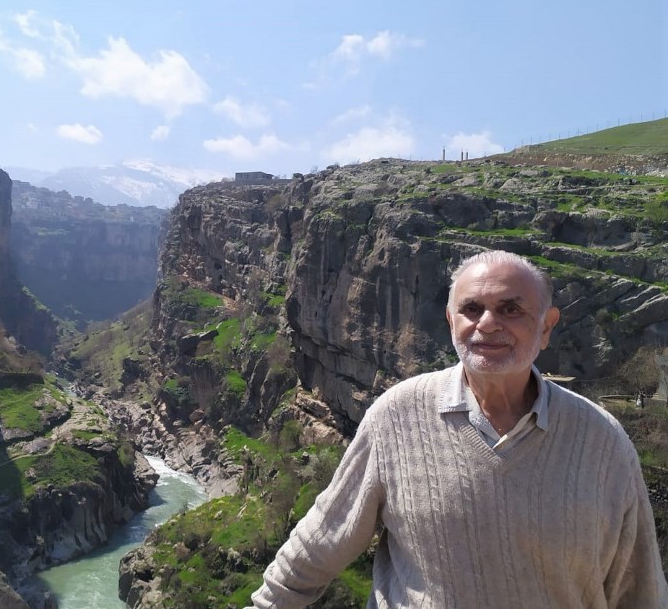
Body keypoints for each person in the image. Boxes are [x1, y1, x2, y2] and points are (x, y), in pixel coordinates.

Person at [249, 250, 668, 608]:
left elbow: (638, 586)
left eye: (510, 309)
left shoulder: (602, 441)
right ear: (451, 321)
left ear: (545, 326)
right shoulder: (396, 415)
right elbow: (322, 540)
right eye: (471, 309)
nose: (487, 324)